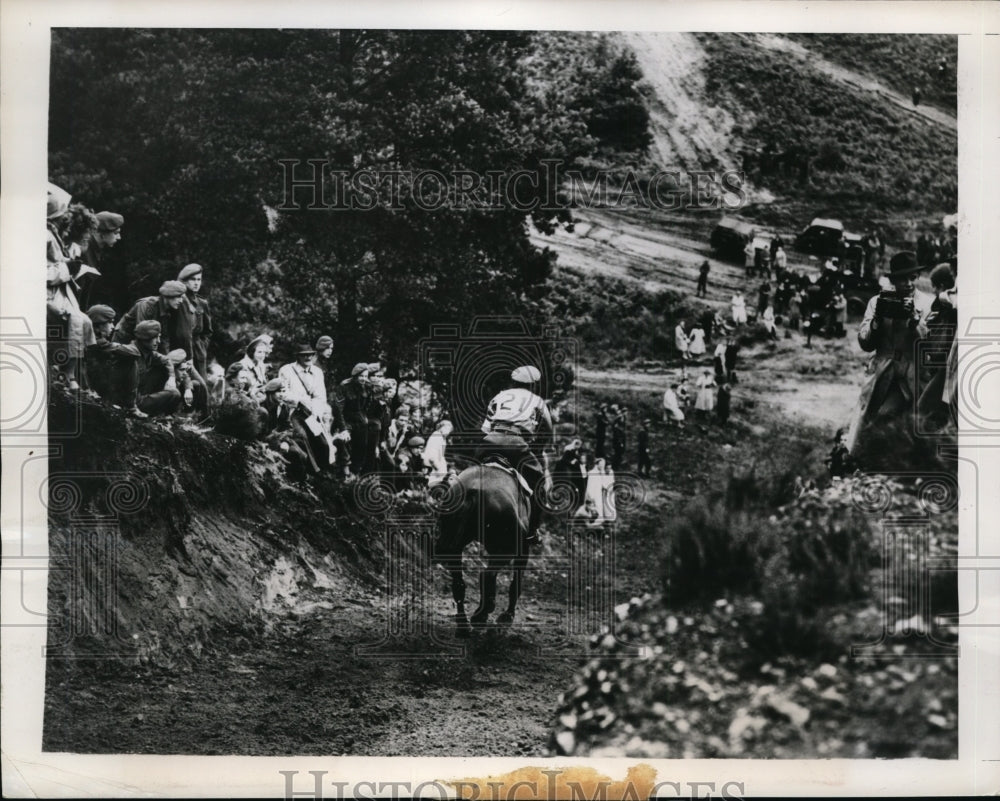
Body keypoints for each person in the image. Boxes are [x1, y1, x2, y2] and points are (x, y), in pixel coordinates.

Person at [845, 251, 931, 462]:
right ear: (893, 279)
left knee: (914, 422)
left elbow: (930, 345)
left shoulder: (928, 304)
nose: (908, 283)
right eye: (902, 278)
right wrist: (875, 322)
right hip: (883, 369)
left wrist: (915, 321)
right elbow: (865, 343)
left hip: (913, 371)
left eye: (912, 278)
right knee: (872, 417)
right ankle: (861, 459)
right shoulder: (877, 302)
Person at [476, 365, 555, 545]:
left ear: (513, 381)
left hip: (489, 442)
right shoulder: (537, 401)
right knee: (539, 482)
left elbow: (485, 428)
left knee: (470, 472)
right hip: (516, 444)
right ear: (533, 384)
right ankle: (532, 531)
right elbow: (548, 431)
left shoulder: (499, 396)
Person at [46, 183, 97, 391]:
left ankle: (66, 373)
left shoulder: (52, 233)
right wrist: (68, 268)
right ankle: (66, 373)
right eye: (63, 210)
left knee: (81, 320)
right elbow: (42, 273)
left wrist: (69, 267)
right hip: (48, 296)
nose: (67, 215)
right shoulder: (46, 236)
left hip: (57, 293)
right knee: (79, 320)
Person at [916, 264, 958, 430]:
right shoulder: (943, 307)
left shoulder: (947, 309)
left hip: (944, 369)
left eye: (934, 286)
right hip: (942, 367)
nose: (932, 290)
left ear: (940, 286)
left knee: (923, 412)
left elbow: (939, 344)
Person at [126, 320, 185, 417]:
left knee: (164, 370)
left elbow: (167, 361)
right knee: (175, 394)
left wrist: (171, 378)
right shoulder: (131, 354)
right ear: (144, 338)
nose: (159, 341)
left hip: (140, 395)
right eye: (155, 337)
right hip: (132, 403)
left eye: (159, 337)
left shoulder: (148, 352)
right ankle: (163, 416)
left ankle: (166, 416)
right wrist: (132, 407)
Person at [113, 281, 187, 353]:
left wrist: (166, 359)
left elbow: (164, 337)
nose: (181, 301)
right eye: (178, 297)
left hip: (139, 341)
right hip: (123, 340)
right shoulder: (146, 305)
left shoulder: (167, 310)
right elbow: (142, 334)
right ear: (168, 296)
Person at [178, 264, 213, 385]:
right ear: (185, 281)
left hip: (198, 351)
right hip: (180, 350)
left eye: (199, 279)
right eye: (193, 279)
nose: (196, 283)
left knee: (201, 387)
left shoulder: (202, 303)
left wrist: (202, 347)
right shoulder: (178, 300)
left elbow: (208, 331)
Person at [340, 362, 371, 475]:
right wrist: (343, 427)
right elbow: (339, 408)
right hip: (347, 419)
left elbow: (368, 403)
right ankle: (345, 470)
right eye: (361, 376)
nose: (363, 379)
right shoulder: (345, 386)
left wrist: (364, 417)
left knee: (362, 446)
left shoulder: (368, 386)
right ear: (355, 376)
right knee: (345, 442)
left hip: (361, 420)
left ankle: (356, 471)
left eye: (365, 376)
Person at [228, 335, 272, 401]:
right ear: (252, 352)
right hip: (244, 401)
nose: (262, 355)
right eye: (259, 352)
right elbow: (237, 391)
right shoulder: (240, 366)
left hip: (259, 400)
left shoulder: (260, 365)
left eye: (264, 352)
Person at [422, 419, 454, 487]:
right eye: (445, 428)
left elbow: (441, 455)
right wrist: (438, 468)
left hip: (437, 467)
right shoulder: (436, 436)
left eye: (449, 429)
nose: (447, 431)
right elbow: (431, 456)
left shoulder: (442, 438)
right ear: (440, 427)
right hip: (432, 467)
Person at [609, 404, 627, 471]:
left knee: (619, 453)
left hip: (621, 440)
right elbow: (617, 434)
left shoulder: (622, 421)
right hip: (618, 441)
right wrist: (620, 442)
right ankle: (615, 467)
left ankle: (616, 466)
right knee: (618, 454)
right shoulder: (617, 426)